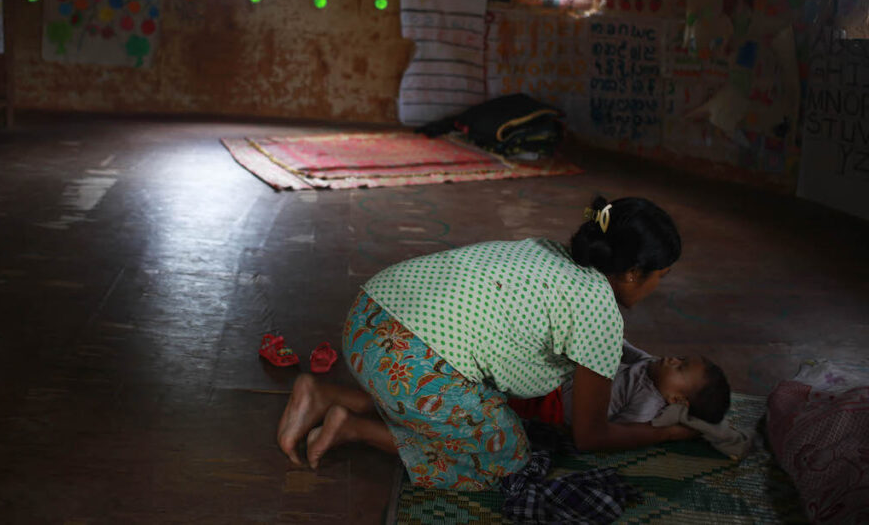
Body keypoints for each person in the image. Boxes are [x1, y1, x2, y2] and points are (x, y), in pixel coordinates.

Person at [277, 195, 695, 491]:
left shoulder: (548, 250)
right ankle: (352, 429)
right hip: (406, 362)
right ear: (633, 272)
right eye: (662, 275)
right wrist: (666, 435)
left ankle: (320, 391)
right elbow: (590, 435)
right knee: (504, 455)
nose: (658, 286)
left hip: (366, 319)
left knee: (457, 403)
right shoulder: (600, 314)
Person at [561, 342, 731, 425]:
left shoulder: (647, 403)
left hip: (562, 404)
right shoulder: (651, 364)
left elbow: (618, 429)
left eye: (680, 368)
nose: (673, 360)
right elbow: (620, 343)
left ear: (676, 399)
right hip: (568, 374)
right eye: (681, 359)